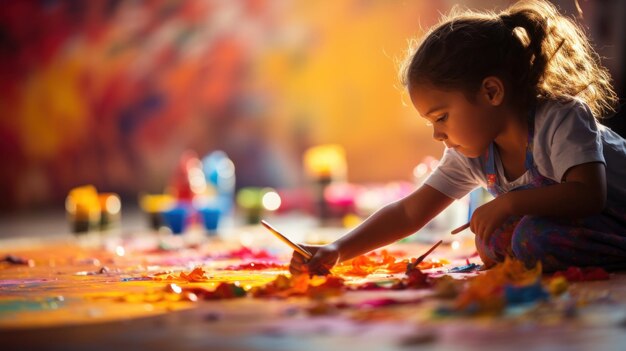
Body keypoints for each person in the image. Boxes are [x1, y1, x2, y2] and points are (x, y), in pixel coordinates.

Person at [290, 0, 626, 275]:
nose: (438, 134)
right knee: (491, 240)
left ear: (491, 92)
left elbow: (588, 196)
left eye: (441, 117)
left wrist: (508, 202)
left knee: (528, 238)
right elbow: (409, 213)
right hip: (589, 226)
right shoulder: (474, 153)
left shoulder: (561, 118)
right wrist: (336, 250)